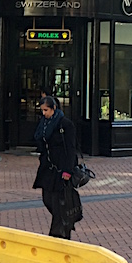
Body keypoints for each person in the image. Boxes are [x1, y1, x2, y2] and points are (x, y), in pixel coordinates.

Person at [32, 95, 82, 239]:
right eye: (42, 110)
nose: (44, 113)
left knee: (59, 200)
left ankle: (59, 233)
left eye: (46, 110)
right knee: (47, 198)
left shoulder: (65, 124)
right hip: (47, 167)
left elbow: (71, 149)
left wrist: (67, 170)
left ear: (54, 108)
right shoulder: (44, 124)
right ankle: (64, 223)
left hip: (61, 167)